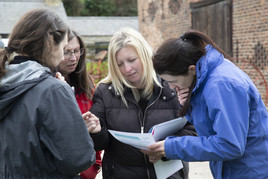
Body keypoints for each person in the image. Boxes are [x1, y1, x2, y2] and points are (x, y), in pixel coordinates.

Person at [144, 30, 268, 179]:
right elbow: (211, 130)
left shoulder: (222, 85)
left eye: (173, 81)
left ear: (191, 70)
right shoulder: (206, 78)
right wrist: (190, 105)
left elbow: (230, 145)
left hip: (251, 172)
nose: (171, 87)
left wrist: (170, 147)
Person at [87, 28, 197, 179]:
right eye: (120, 64)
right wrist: (96, 131)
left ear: (144, 55)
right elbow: (99, 145)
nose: (127, 69)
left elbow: (193, 131)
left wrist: (167, 148)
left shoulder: (172, 85)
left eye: (131, 60)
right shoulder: (106, 91)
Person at [0, 9, 96, 178]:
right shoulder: (54, 90)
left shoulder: (5, 82)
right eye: (64, 48)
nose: (63, 57)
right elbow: (79, 158)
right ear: (51, 41)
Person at [58, 30, 102, 179]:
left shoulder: (88, 85)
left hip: (85, 170)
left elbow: (98, 133)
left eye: (77, 51)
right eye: (67, 52)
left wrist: (91, 169)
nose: (74, 58)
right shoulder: (46, 88)